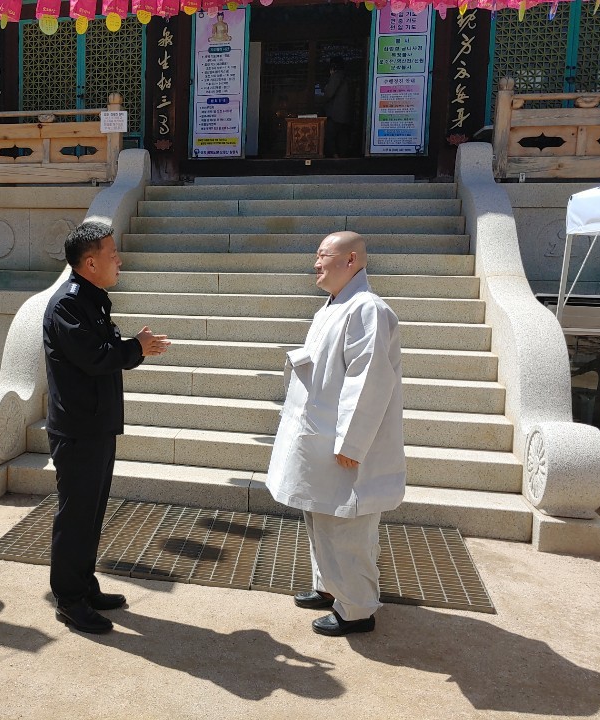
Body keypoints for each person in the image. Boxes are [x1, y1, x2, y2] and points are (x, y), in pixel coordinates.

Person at [266, 231, 405, 637]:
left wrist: (352, 443)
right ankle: (329, 587)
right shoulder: (335, 306)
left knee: (347, 527)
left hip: (343, 444)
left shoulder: (368, 310)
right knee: (320, 516)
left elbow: (369, 381)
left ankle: (357, 609)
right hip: (318, 438)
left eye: (323, 255)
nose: (316, 263)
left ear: (351, 260)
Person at [43, 221, 170, 634]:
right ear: (90, 263)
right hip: (78, 428)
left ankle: (84, 585)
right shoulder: (67, 304)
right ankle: (69, 598)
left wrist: (135, 347)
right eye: (112, 254)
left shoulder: (92, 299)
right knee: (76, 516)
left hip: (95, 424)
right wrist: (137, 347)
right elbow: (96, 357)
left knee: (92, 512)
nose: (119, 261)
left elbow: (107, 349)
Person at [322, 59, 352, 158]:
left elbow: (329, 94)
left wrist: (326, 88)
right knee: (342, 137)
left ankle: (334, 156)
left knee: (330, 136)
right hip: (346, 114)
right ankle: (343, 157)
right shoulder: (348, 78)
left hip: (336, 114)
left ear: (332, 69)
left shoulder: (336, 76)